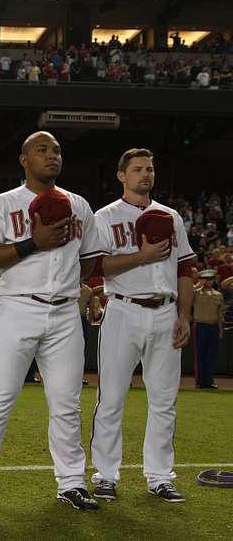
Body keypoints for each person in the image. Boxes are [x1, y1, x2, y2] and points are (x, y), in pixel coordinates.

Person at [0, 131, 106, 512]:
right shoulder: (3, 203)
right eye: (42, 150)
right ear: (24, 160)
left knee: (66, 404)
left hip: (64, 312)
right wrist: (33, 244)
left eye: (57, 150)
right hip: (16, 308)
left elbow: (89, 261)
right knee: (1, 398)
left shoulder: (79, 205)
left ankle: (72, 483)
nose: (52, 156)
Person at [89, 148, 195, 504]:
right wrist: (143, 256)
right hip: (122, 309)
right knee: (112, 399)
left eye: (150, 169)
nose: (145, 174)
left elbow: (184, 269)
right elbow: (98, 267)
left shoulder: (171, 216)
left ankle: (160, 476)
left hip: (166, 311)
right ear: (122, 175)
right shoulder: (104, 216)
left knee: (164, 401)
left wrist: (184, 315)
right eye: (137, 169)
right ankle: (105, 475)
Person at [191, 270, 224, 389]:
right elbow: (185, 294)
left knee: (211, 355)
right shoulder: (196, 293)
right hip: (200, 325)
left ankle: (209, 381)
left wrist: (220, 329)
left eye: (211, 279)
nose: (209, 281)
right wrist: (197, 285)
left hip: (213, 326)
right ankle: (200, 381)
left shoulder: (218, 295)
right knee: (199, 355)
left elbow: (220, 314)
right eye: (206, 279)